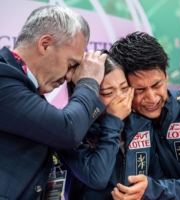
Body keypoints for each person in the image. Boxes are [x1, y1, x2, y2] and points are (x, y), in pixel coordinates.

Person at [0, 5, 108, 200]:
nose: (68, 77)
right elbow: (68, 131)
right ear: (45, 44)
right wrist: (89, 82)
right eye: (71, 64)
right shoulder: (3, 77)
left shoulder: (24, 87)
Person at [60, 50, 164, 200]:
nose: (120, 99)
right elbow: (97, 178)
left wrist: (147, 191)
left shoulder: (143, 123)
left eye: (124, 88)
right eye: (108, 93)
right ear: (86, 95)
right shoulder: (70, 129)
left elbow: (157, 176)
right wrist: (113, 121)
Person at [109, 31, 180, 200]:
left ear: (166, 76)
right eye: (140, 90)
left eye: (156, 84)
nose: (152, 98)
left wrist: (155, 190)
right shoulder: (119, 122)